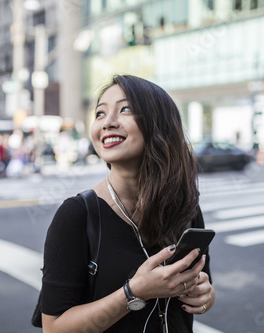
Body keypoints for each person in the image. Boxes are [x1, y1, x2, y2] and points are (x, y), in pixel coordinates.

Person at [39, 74, 215, 332]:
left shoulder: (185, 207)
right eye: (100, 113)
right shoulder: (76, 215)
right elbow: (54, 328)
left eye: (125, 109)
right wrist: (134, 292)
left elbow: (206, 289)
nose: (108, 122)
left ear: (160, 124)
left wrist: (204, 296)